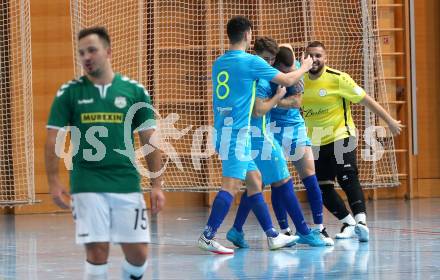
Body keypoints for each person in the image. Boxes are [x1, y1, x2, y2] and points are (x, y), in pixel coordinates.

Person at [45, 26, 165, 279]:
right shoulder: (69, 92)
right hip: (87, 182)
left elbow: (150, 139)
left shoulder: (134, 91)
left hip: (126, 181)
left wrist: (157, 184)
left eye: (92, 50)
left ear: (108, 52)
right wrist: (54, 182)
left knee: (139, 254)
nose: (86, 56)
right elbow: (52, 137)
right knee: (97, 250)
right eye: (81, 53)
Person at [198, 16, 313, 254]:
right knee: (230, 186)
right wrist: (305, 66)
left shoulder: (219, 62)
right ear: (249, 35)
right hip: (237, 133)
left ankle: (272, 235)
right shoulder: (250, 62)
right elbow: (289, 79)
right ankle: (208, 235)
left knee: (255, 181)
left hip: (224, 129)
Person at [226, 39, 329, 249]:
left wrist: (298, 69)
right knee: (281, 180)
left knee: (257, 184)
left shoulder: (246, 66)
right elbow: (258, 110)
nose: (268, 62)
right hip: (259, 133)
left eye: (271, 59)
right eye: (266, 59)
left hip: (257, 131)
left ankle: (237, 229)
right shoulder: (264, 80)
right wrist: (278, 97)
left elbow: (295, 96)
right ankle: (301, 231)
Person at [302, 41, 403, 242]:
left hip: (341, 135)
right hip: (315, 141)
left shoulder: (339, 79)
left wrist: (390, 121)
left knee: (347, 176)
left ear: (325, 58)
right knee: (322, 187)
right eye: (310, 55)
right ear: (304, 57)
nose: (314, 59)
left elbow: (367, 100)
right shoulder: (300, 81)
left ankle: (362, 222)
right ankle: (348, 222)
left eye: (318, 55)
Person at [269, 45, 334, 245]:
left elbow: (296, 102)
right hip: (272, 129)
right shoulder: (267, 71)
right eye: (286, 71)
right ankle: (285, 231)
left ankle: (319, 227)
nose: (290, 74)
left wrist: (274, 101)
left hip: (294, 128)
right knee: (277, 181)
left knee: (310, 176)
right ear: (276, 64)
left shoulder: (297, 67)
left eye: (292, 70)